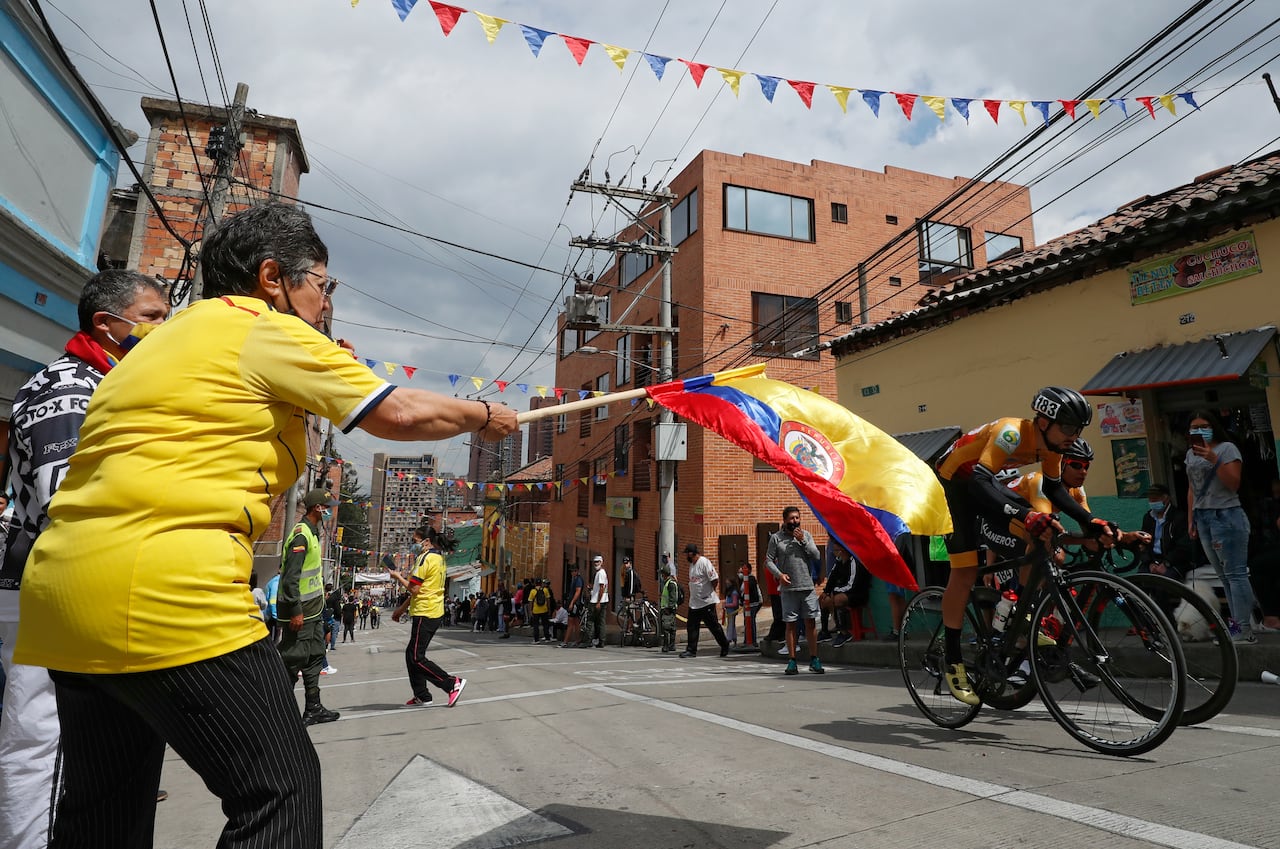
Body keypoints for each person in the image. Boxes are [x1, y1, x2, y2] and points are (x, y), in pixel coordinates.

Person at [11, 201, 517, 849]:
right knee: (280, 789)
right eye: (323, 283)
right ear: (273, 278)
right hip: (170, 589)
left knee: (103, 811)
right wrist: (483, 414)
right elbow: (404, 414)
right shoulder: (262, 326)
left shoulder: (162, 338)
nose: (327, 301)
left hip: (61, 597)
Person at [0, 269, 170, 849]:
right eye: (151, 318)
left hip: (92, 598)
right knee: (46, 749)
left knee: (92, 757)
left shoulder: (114, 387)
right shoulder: (70, 391)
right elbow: (66, 505)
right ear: (106, 324)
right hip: (54, 597)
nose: (162, 330)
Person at [935, 387, 1116, 705]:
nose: (1073, 437)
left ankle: (1020, 615)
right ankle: (952, 660)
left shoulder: (1054, 445)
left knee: (1041, 534)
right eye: (1069, 428)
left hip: (986, 485)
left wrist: (1091, 523)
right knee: (965, 571)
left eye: (1078, 431)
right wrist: (1022, 513)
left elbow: (1055, 490)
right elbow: (978, 479)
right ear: (1044, 422)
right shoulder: (1011, 432)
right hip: (956, 483)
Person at [1186, 409, 1257, 643]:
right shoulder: (1190, 454)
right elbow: (1192, 488)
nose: (1198, 431)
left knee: (1236, 574)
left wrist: (1213, 459)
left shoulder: (1227, 449)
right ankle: (1237, 626)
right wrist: (1191, 518)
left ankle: (1243, 629)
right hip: (1204, 517)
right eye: (1194, 427)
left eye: (1203, 426)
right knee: (1224, 577)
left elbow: (1233, 483)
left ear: (1213, 426)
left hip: (1226, 516)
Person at [276, 489, 342, 726]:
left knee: (315, 656)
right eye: (328, 507)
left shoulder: (313, 533)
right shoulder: (301, 535)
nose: (330, 511)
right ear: (318, 508)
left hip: (313, 612)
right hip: (300, 612)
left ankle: (313, 708)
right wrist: (295, 611)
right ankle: (276, 712)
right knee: (293, 659)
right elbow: (290, 578)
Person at [388, 525, 467, 708]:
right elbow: (420, 590)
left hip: (426, 611)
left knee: (416, 657)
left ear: (426, 541)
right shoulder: (439, 558)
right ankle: (421, 694)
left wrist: (397, 576)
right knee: (411, 655)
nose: (413, 544)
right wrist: (401, 609)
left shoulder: (425, 559)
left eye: (415, 541)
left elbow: (414, 588)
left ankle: (451, 683)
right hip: (432, 610)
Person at [766, 507, 825, 674]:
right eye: (791, 518)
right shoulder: (776, 539)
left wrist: (803, 541)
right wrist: (779, 574)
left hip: (807, 587)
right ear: (785, 520)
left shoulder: (805, 535)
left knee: (810, 622)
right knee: (790, 625)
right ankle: (792, 661)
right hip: (788, 588)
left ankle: (815, 659)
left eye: (797, 518)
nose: (795, 521)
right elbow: (768, 561)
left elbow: (816, 555)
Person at [680, 543, 730, 658]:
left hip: (706, 602)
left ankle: (724, 644)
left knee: (713, 626)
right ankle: (691, 650)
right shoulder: (692, 565)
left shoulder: (704, 562)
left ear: (692, 553)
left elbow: (714, 579)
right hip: (694, 603)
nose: (686, 556)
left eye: (687, 553)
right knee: (691, 626)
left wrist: (709, 592)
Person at [819, 542, 870, 649]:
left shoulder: (854, 562)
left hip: (857, 594)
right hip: (843, 591)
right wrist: (826, 592)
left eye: (836, 551)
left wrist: (835, 592)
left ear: (842, 551)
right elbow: (832, 579)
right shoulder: (838, 562)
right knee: (823, 599)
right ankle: (824, 631)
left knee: (837, 599)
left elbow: (852, 585)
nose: (834, 553)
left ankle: (843, 632)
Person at [1137, 484, 1194, 579]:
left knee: (1166, 583)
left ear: (1166, 498)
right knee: (1139, 582)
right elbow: (1142, 544)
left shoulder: (1179, 518)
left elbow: (1184, 547)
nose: (1152, 502)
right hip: (1152, 560)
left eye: (1155, 499)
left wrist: (1167, 563)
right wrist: (1149, 562)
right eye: (1150, 499)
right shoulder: (1148, 518)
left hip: (1174, 562)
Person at [583, 555, 609, 648]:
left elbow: (602, 587)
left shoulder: (601, 573)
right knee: (599, 621)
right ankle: (600, 641)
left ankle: (589, 640)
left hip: (597, 601)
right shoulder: (600, 573)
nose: (596, 563)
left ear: (601, 562)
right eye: (595, 562)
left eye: (598, 562)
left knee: (591, 621)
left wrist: (598, 602)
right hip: (602, 600)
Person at [561, 564, 587, 647]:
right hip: (575, 603)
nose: (572, 572)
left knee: (571, 622)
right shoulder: (574, 579)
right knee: (576, 623)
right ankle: (577, 640)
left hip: (576, 604)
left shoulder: (578, 580)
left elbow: (578, 592)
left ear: (577, 571)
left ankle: (565, 642)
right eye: (571, 571)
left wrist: (572, 603)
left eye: (574, 571)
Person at [739, 563, 762, 648]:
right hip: (746, 604)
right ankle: (746, 640)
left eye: (743, 568)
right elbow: (742, 591)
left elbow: (748, 589)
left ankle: (753, 641)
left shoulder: (751, 579)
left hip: (753, 603)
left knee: (751, 621)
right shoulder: (743, 579)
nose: (741, 570)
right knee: (747, 622)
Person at [659, 564, 680, 653]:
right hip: (668, 608)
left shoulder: (670, 584)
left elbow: (672, 597)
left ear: (664, 574)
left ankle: (667, 646)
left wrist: (669, 608)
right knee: (671, 627)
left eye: (662, 574)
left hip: (669, 609)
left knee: (667, 628)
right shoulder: (668, 583)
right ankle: (671, 645)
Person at [529, 578, 553, 643]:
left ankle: (536, 640)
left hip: (536, 610)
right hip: (544, 609)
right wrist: (549, 608)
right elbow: (548, 600)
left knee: (536, 625)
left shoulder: (532, 591)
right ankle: (547, 638)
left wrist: (530, 610)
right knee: (545, 624)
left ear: (535, 583)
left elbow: (530, 601)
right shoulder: (545, 590)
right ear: (541, 583)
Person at [721, 573, 741, 647]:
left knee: (730, 625)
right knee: (731, 625)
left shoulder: (734, 592)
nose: (727, 584)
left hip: (732, 611)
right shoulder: (730, 591)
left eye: (728, 582)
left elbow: (735, 603)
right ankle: (733, 638)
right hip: (729, 611)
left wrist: (726, 605)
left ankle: (729, 639)